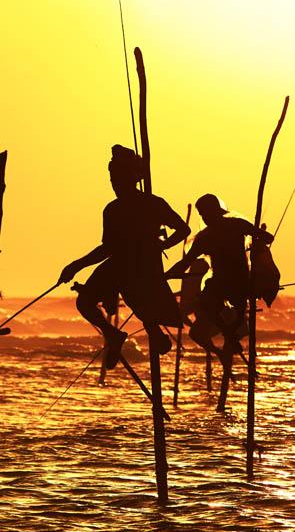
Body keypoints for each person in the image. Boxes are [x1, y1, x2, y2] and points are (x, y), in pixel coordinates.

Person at [59, 145, 190, 369]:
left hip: (144, 267)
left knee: (141, 300)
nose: (114, 184)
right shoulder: (112, 210)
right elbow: (107, 248)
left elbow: (183, 230)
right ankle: (113, 334)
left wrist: (161, 246)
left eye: (118, 178)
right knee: (85, 302)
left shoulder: (153, 203)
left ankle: (155, 335)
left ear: (133, 178)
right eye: (112, 179)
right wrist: (76, 265)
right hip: (118, 265)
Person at [165, 193, 274, 363]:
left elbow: (266, 237)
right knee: (206, 303)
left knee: (231, 308)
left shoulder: (235, 225)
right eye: (201, 214)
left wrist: (258, 240)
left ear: (216, 211)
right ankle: (228, 332)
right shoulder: (206, 237)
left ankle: (232, 330)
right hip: (222, 283)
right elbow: (185, 262)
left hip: (239, 281)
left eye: (206, 213)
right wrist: (167, 275)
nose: (204, 217)